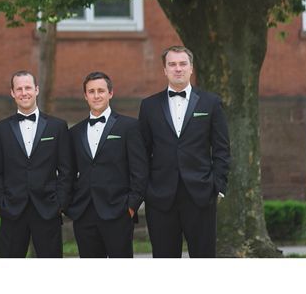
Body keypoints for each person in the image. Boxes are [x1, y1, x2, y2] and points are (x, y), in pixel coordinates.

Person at [138, 46, 231, 258]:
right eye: (172, 64)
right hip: (160, 197)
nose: (177, 69)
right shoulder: (149, 106)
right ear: (164, 70)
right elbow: (141, 152)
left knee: (203, 257)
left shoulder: (211, 102)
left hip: (201, 195)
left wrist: (218, 186)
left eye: (182, 64)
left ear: (191, 68)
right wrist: (145, 189)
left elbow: (221, 148)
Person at [0, 70, 72, 258]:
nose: (24, 92)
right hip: (12, 209)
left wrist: (60, 203)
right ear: (12, 93)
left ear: (36, 90)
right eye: (19, 89)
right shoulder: (0, 129)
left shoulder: (57, 126)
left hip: (48, 208)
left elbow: (66, 170)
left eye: (28, 88)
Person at [66, 71, 147, 257]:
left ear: (111, 93)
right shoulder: (75, 132)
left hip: (118, 212)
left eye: (101, 91)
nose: (96, 95)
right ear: (85, 96)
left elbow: (140, 170)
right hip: (84, 213)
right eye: (91, 91)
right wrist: (70, 207)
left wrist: (132, 205)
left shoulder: (129, 127)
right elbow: (68, 172)